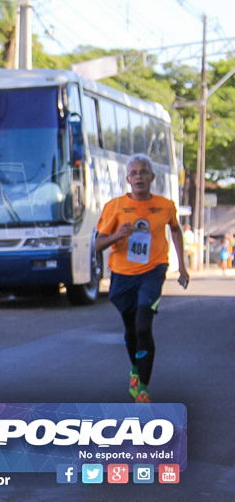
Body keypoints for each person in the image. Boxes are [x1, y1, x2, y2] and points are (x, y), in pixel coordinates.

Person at [93, 154, 189, 404]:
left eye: (143, 172)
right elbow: (97, 245)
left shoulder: (165, 205)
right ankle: (135, 369)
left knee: (144, 326)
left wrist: (183, 267)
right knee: (131, 329)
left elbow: (176, 230)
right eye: (134, 173)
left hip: (153, 270)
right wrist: (118, 236)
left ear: (151, 177)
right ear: (127, 179)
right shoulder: (114, 207)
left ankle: (143, 389)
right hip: (123, 276)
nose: (139, 177)